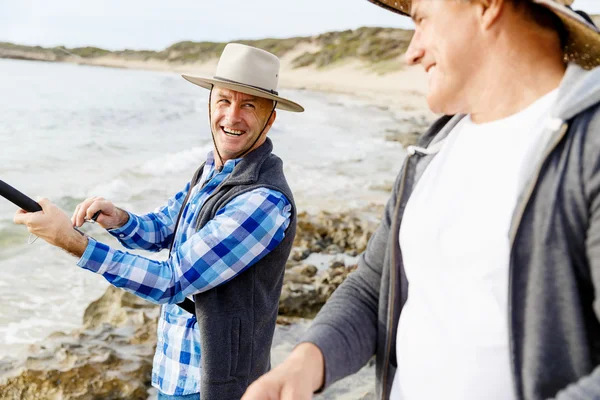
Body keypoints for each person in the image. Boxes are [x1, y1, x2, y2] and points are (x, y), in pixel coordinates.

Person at [242, 1, 600, 400]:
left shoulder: (589, 145)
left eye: (421, 20)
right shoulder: (432, 150)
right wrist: (302, 365)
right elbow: (372, 287)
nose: (412, 52)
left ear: (487, 6)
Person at [14, 43, 304, 400]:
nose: (231, 117)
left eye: (248, 105)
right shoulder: (212, 171)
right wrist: (119, 219)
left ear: (270, 118)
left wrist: (70, 241)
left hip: (213, 384)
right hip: (172, 370)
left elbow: (172, 280)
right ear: (209, 103)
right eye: (224, 101)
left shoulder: (264, 200)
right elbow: (165, 227)